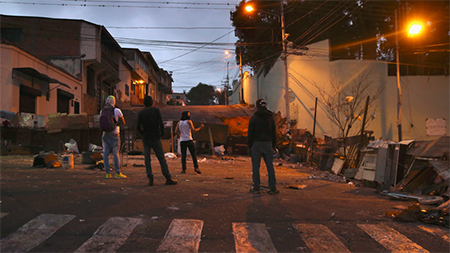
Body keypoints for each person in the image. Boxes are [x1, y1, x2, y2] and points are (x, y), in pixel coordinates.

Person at [137, 95, 177, 186]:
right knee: (161, 158)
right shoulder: (156, 110)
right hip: (155, 136)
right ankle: (167, 177)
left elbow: (138, 127)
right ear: (152, 102)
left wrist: (143, 133)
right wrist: (161, 132)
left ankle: (150, 178)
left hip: (146, 137)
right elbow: (160, 123)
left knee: (147, 159)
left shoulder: (141, 113)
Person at [247, 98, 279, 194]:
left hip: (256, 144)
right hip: (268, 143)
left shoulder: (254, 118)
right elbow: (274, 133)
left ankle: (256, 187)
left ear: (257, 106)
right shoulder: (270, 118)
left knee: (256, 166)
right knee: (270, 165)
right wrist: (274, 145)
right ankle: (272, 188)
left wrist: (249, 146)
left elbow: (250, 133)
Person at [102, 95, 127, 179]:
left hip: (105, 134)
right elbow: (123, 122)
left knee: (105, 153)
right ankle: (117, 173)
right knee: (115, 153)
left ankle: (107, 173)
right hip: (115, 133)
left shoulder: (102, 111)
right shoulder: (117, 110)